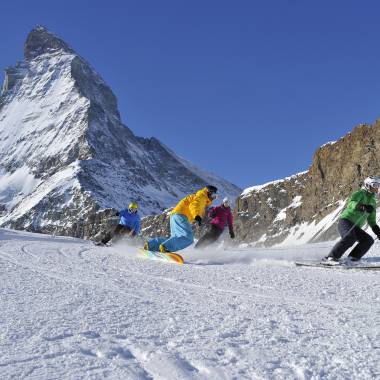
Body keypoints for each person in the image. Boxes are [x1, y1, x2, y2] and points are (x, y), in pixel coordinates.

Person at [323, 176, 380, 264]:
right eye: (375, 185)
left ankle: (352, 259)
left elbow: (371, 220)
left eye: (378, 185)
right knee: (350, 237)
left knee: (368, 240)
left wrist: (377, 231)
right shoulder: (359, 193)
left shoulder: (372, 201)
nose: (377, 188)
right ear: (368, 185)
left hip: (355, 227)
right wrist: (362, 206)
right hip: (345, 221)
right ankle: (330, 258)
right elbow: (351, 203)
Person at [145, 185, 218, 253]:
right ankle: (165, 247)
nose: (214, 198)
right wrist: (196, 216)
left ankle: (151, 245)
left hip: (175, 215)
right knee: (188, 238)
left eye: (215, 196)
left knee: (176, 238)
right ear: (209, 192)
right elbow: (193, 205)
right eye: (213, 195)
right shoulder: (201, 197)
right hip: (181, 215)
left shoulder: (202, 198)